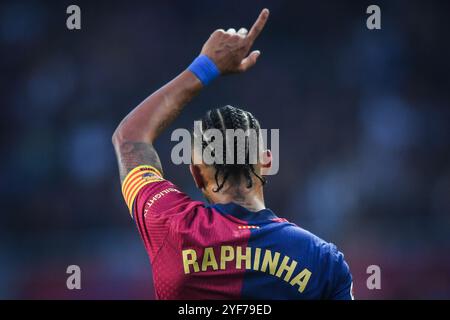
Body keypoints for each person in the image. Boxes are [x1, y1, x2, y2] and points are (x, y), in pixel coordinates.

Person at [112, 8, 353, 299]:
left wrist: (205, 67)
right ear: (267, 160)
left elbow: (130, 138)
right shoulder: (324, 263)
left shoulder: (170, 226)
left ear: (197, 174)